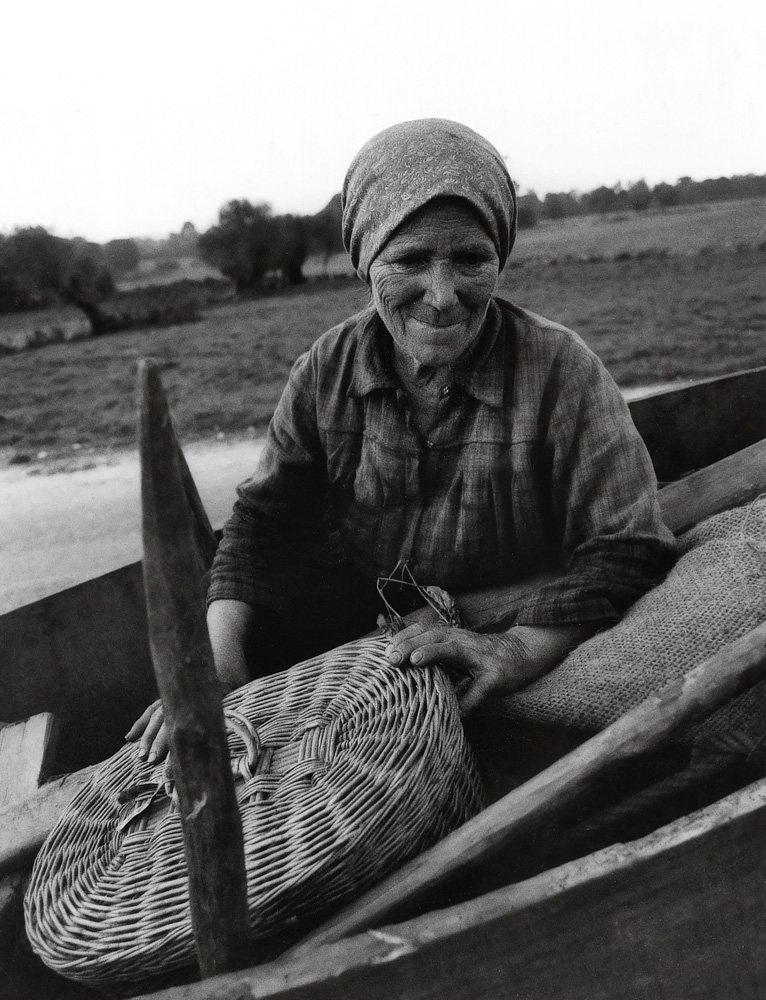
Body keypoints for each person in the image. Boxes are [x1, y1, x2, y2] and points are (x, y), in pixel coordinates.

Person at [128, 118, 676, 763]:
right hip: (362, 664)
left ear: (499, 256)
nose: (442, 298)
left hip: (510, 640)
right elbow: (264, 526)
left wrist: (519, 649)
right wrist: (216, 669)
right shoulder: (327, 368)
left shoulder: (562, 371)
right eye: (411, 261)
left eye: (471, 260)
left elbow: (626, 548)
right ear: (366, 263)